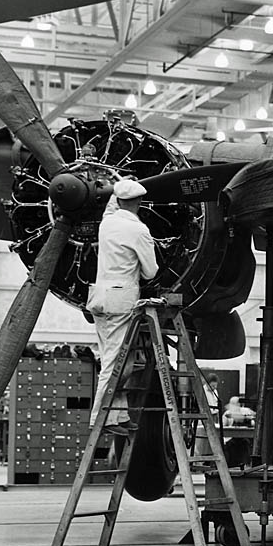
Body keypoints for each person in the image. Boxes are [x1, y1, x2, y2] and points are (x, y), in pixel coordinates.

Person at [86, 179, 159, 436]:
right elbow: (151, 272)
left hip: (100, 299)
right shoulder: (138, 231)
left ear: (117, 200)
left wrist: (116, 180)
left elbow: (109, 207)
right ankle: (99, 418)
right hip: (120, 302)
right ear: (139, 203)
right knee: (114, 364)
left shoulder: (107, 222)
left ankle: (118, 415)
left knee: (121, 363)